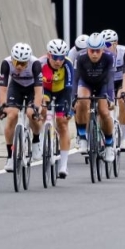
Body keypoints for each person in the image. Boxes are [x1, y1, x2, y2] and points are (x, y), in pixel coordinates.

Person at [0, 43, 43, 172]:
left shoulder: (35, 64)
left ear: (28, 60)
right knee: (11, 114)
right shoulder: (6, 63)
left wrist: (36, 107)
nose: (19, 66)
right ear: (12, 59)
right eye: (16, 62)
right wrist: (2, 106)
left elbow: (39, 91)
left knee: (31, 113)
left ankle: (36, 140)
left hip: (32, 88)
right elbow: (3, 89)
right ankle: (10, 157)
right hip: (16, 87)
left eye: (23, 63)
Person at [72, 32, 117, 162]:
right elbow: (75, 79)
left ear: (103, 49)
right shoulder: (80, 57)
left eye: (98, 51)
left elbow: (110, 79)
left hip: (103, 84)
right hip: (86, 83)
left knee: (104, 112)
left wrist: (110, 98)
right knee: (82, 101)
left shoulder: (109, 57)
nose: (95, 54)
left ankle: (109, 144)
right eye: (92, 50)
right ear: (87, 49)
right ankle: (82, 137)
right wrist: (74, 98)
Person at [41, 39, 74, 179]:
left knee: (62, 123)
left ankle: (63, 165)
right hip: (45, 91)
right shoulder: (40, 63)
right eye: (55, 57)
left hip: (62, 93)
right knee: (42, 109)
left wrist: (69, 108)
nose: (58, 61)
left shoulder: (68, 64)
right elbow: (36, 85)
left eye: (61, 57)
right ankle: (41, 139)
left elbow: (70, 87)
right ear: (49, 55)